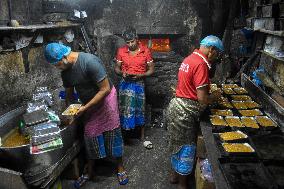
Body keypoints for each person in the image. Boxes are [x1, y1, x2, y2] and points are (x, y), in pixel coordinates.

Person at [44, 43, 128, 186]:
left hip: (106, 100)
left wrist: (85, 108)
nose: (57, 68)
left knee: (113, 132)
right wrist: (70, 113)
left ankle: (120, 167)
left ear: (64, 57)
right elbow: (69, 95)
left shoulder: (89, 62)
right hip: (88, 103)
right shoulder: (65, 72)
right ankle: (90, 170)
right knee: (90, 135)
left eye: (57, 64)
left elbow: (105, 89)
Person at [166, 35, 223, 189]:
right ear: (212, 50)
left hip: (176, 107)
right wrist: (216, 96)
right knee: (187, 146)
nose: (215, 58)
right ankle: (183, 184)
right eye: (217, 55)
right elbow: (203, 98)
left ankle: (174, 175)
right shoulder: (201, 64)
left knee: (175, 142)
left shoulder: (190, 58)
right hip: (185, 112)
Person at [114, 27, 154, 140]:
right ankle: (125, 133)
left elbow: (151, 70)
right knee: (124, 108)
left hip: (138, 84)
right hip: (125, 84)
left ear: (137, 39)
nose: (130, 44)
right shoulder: (121, 51)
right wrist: (122, 73)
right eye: (128, 42)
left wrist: (142, 75)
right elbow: (116, 68)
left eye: (132, 41)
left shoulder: (145, 51)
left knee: (139, 108)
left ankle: (141, 134)